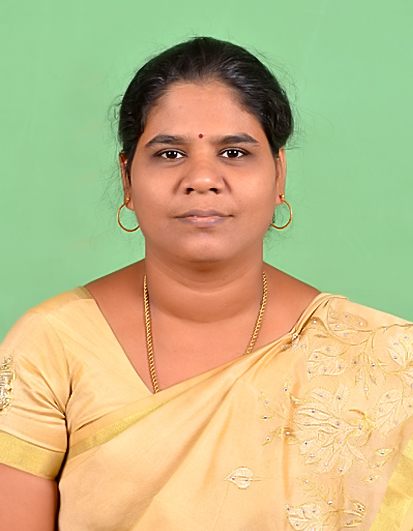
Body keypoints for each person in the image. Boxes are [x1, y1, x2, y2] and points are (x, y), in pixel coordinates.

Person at [0, 36, 412, 531]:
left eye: (234, 152)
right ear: (127, 178)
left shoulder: (387, 360)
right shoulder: (52, 345)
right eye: (170, 153)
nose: (202, 178)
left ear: (279, 174)